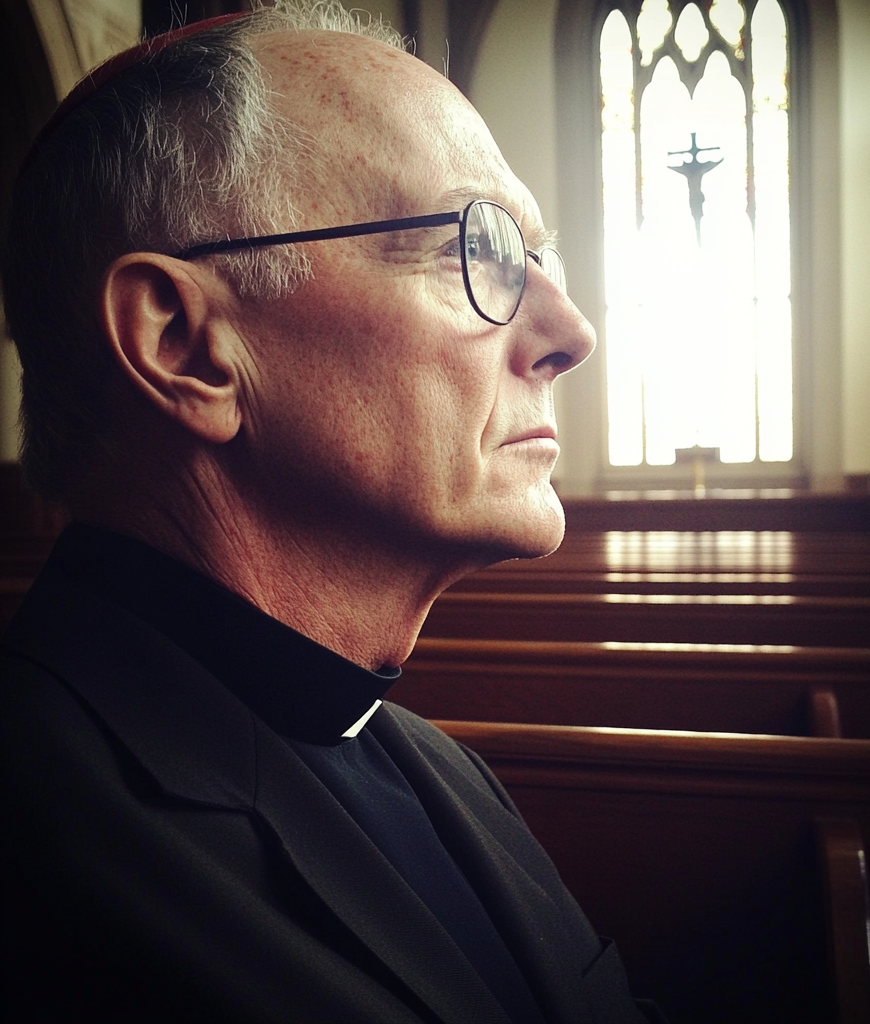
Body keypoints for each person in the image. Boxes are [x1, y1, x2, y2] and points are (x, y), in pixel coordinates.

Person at [1, 3, 661, 1021]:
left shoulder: (444, 768)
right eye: (473, 248)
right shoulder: (33, 830)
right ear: (184, 343)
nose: (568, 332)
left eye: (542, 258)